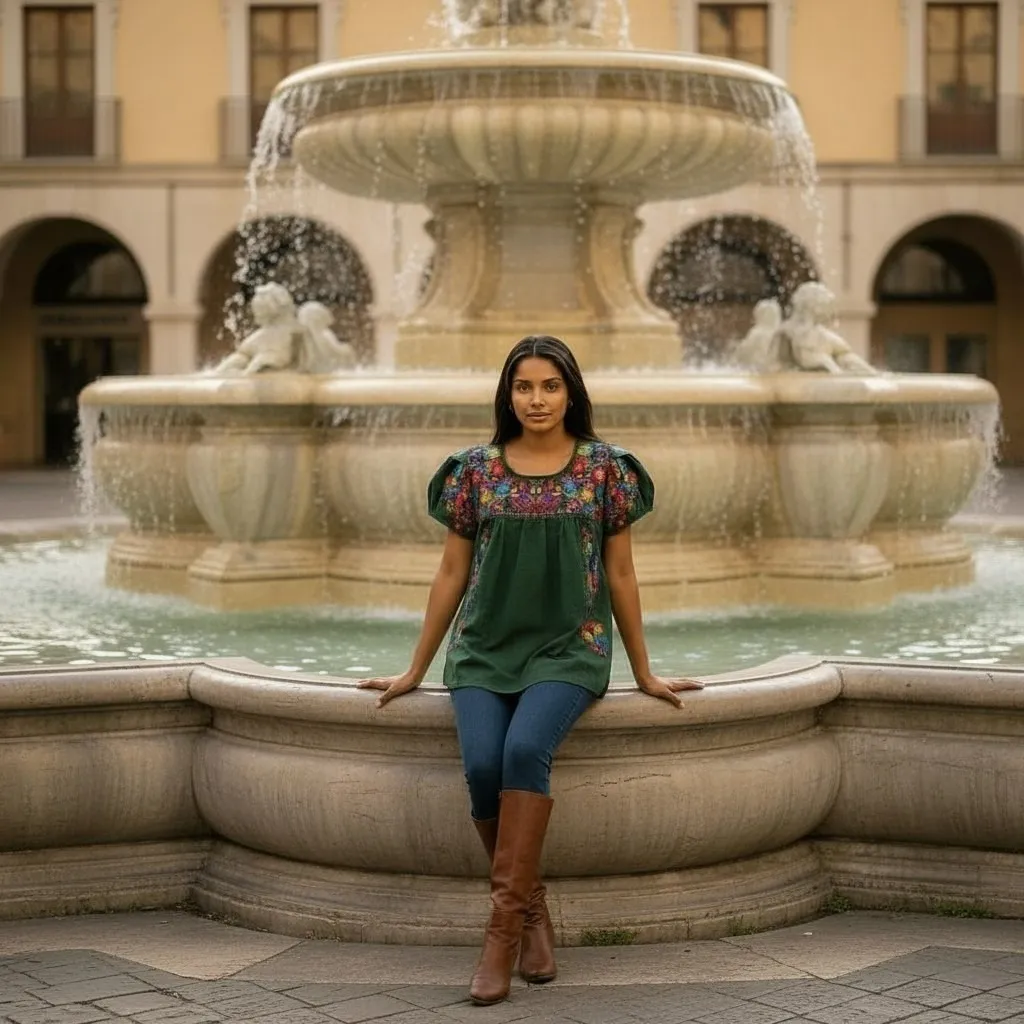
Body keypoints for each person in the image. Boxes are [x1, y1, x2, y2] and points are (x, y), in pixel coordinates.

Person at [358, 335, 704, 1006]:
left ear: (571, 392)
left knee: (523, 752)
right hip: (484, 649)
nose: (537, 399)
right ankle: (531, 909)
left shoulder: (606, 469)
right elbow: (452, 572)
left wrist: (645, 672)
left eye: (550, 386)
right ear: (507, 395)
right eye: (524, 387)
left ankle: (498, 937)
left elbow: (622, 574)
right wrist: (414, 668)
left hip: (569, 648)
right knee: (484, 765)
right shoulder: (475, 471)